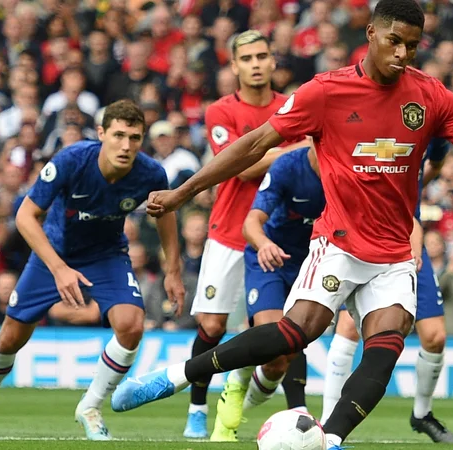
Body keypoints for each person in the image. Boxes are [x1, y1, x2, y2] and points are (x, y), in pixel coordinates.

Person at [113, 1, 453, 448]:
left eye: (413, 46)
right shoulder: (325, 92)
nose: (403, 53)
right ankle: (176, 376)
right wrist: (184, 193)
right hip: (338, 242)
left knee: (387, 346)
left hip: (395, 252)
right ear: (372, 34)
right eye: (394, 41)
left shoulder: (431, 96)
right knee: (294, 333)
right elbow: (253, 145)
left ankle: (331, 440)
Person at [0, 100, 186, 441]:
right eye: (118, 135)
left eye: (134, 137)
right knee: (11, 337)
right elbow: (26, 216)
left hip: (106, 255)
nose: (126, 145)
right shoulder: (72, 160)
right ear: (101, 134)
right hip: (52, 254)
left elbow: (166, 214)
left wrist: (173, 270)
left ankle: (90, 406)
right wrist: (58, 269)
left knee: (131, 326)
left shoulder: (151, 174)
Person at [181, 29, 307, 440]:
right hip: (230, 230)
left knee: (286, 332)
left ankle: (286, 411)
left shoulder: (292, 107)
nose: (255, 64)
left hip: (278, 235)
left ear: (273, 61)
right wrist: (290, 150)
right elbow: (236, 165)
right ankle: (197, 409)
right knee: (213, 325)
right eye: (246, 58)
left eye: (262, 56)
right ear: (234, 66)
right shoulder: (221, 111)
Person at [321, 137, 453, 443]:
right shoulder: (374, 136)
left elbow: (433, 164)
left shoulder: (426, 132)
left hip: (409, 242)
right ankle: (328, 419)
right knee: (348, 327)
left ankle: (422, 414)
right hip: (366, 241)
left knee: (435, 337)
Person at [213, 145, 324, 441]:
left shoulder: (352, 169)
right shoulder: (288, 166)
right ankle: (236, 385)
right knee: (273, 337)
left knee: (278, 362)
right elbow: (251, 223)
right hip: (270, 258)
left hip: (315, 263)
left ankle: (245, 401)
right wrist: (263, 244)